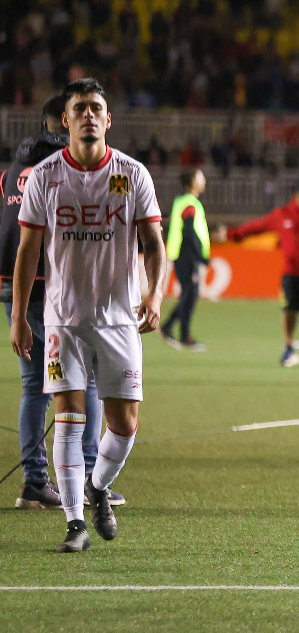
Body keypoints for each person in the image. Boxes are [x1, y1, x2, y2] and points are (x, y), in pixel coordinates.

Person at [10, 78, 166, 552]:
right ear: (66, 119)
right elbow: (27, 251)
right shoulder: (44, 176)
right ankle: (75, 522)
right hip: (63, 319)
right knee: (69, 417)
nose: (88, 116)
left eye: (96, 108)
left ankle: (98, 487)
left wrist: (155, 296)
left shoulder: (132, 174)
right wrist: (19, 315)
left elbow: (154, 243)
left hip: (119, 319)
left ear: (108, 119)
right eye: (80, 109)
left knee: (125, 425)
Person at [0, 94, 118, 511]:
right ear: (65, 122)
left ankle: (36, 481)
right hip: (55, 290)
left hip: (14, 288)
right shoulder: (61, 171)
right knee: (86, 381)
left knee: (35, 386)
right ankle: (87, 478)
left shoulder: (11, 171)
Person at [222, 175, 299, 367]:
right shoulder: (282, 215)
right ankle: (289, 347)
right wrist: (231, 234)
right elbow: (257, 227)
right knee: (289, 310)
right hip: (290, 274)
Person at [162, 168, 211, 351]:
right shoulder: (190, 204)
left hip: (181, 253)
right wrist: (200, 256)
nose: (204, 180)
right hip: (186, 254)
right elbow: (189, 231)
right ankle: (170, 327)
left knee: (190, 293)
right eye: (200, 177)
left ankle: (182, 334)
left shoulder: (182, 201)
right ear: (192, 183)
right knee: (190, 293)